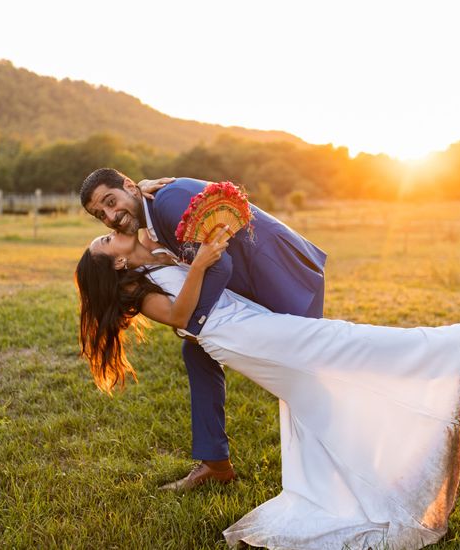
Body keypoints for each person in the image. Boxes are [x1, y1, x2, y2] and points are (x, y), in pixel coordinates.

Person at [75, 229, 460, 550]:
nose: (111, 231)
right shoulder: (135, 288)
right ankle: (459, 340)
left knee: (314, 398)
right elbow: (181, 316)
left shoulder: (150, 256)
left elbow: (155, 210)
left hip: (245, 322)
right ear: (112, 264)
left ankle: (360, 487)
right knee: (339, 340)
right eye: (105, 240)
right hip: (237, 336)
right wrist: (201, 264)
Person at [80, 168, 327, 490]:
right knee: (197, 353)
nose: (111, 216)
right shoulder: (152, 215)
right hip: (253, 279)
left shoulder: (166, 204)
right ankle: (216, 464)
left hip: (282, 274)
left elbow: (219, 265)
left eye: (111, 202)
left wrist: (192, 325)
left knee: (307, 374)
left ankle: (335, 454)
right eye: (101, 215)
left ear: (129, 186)